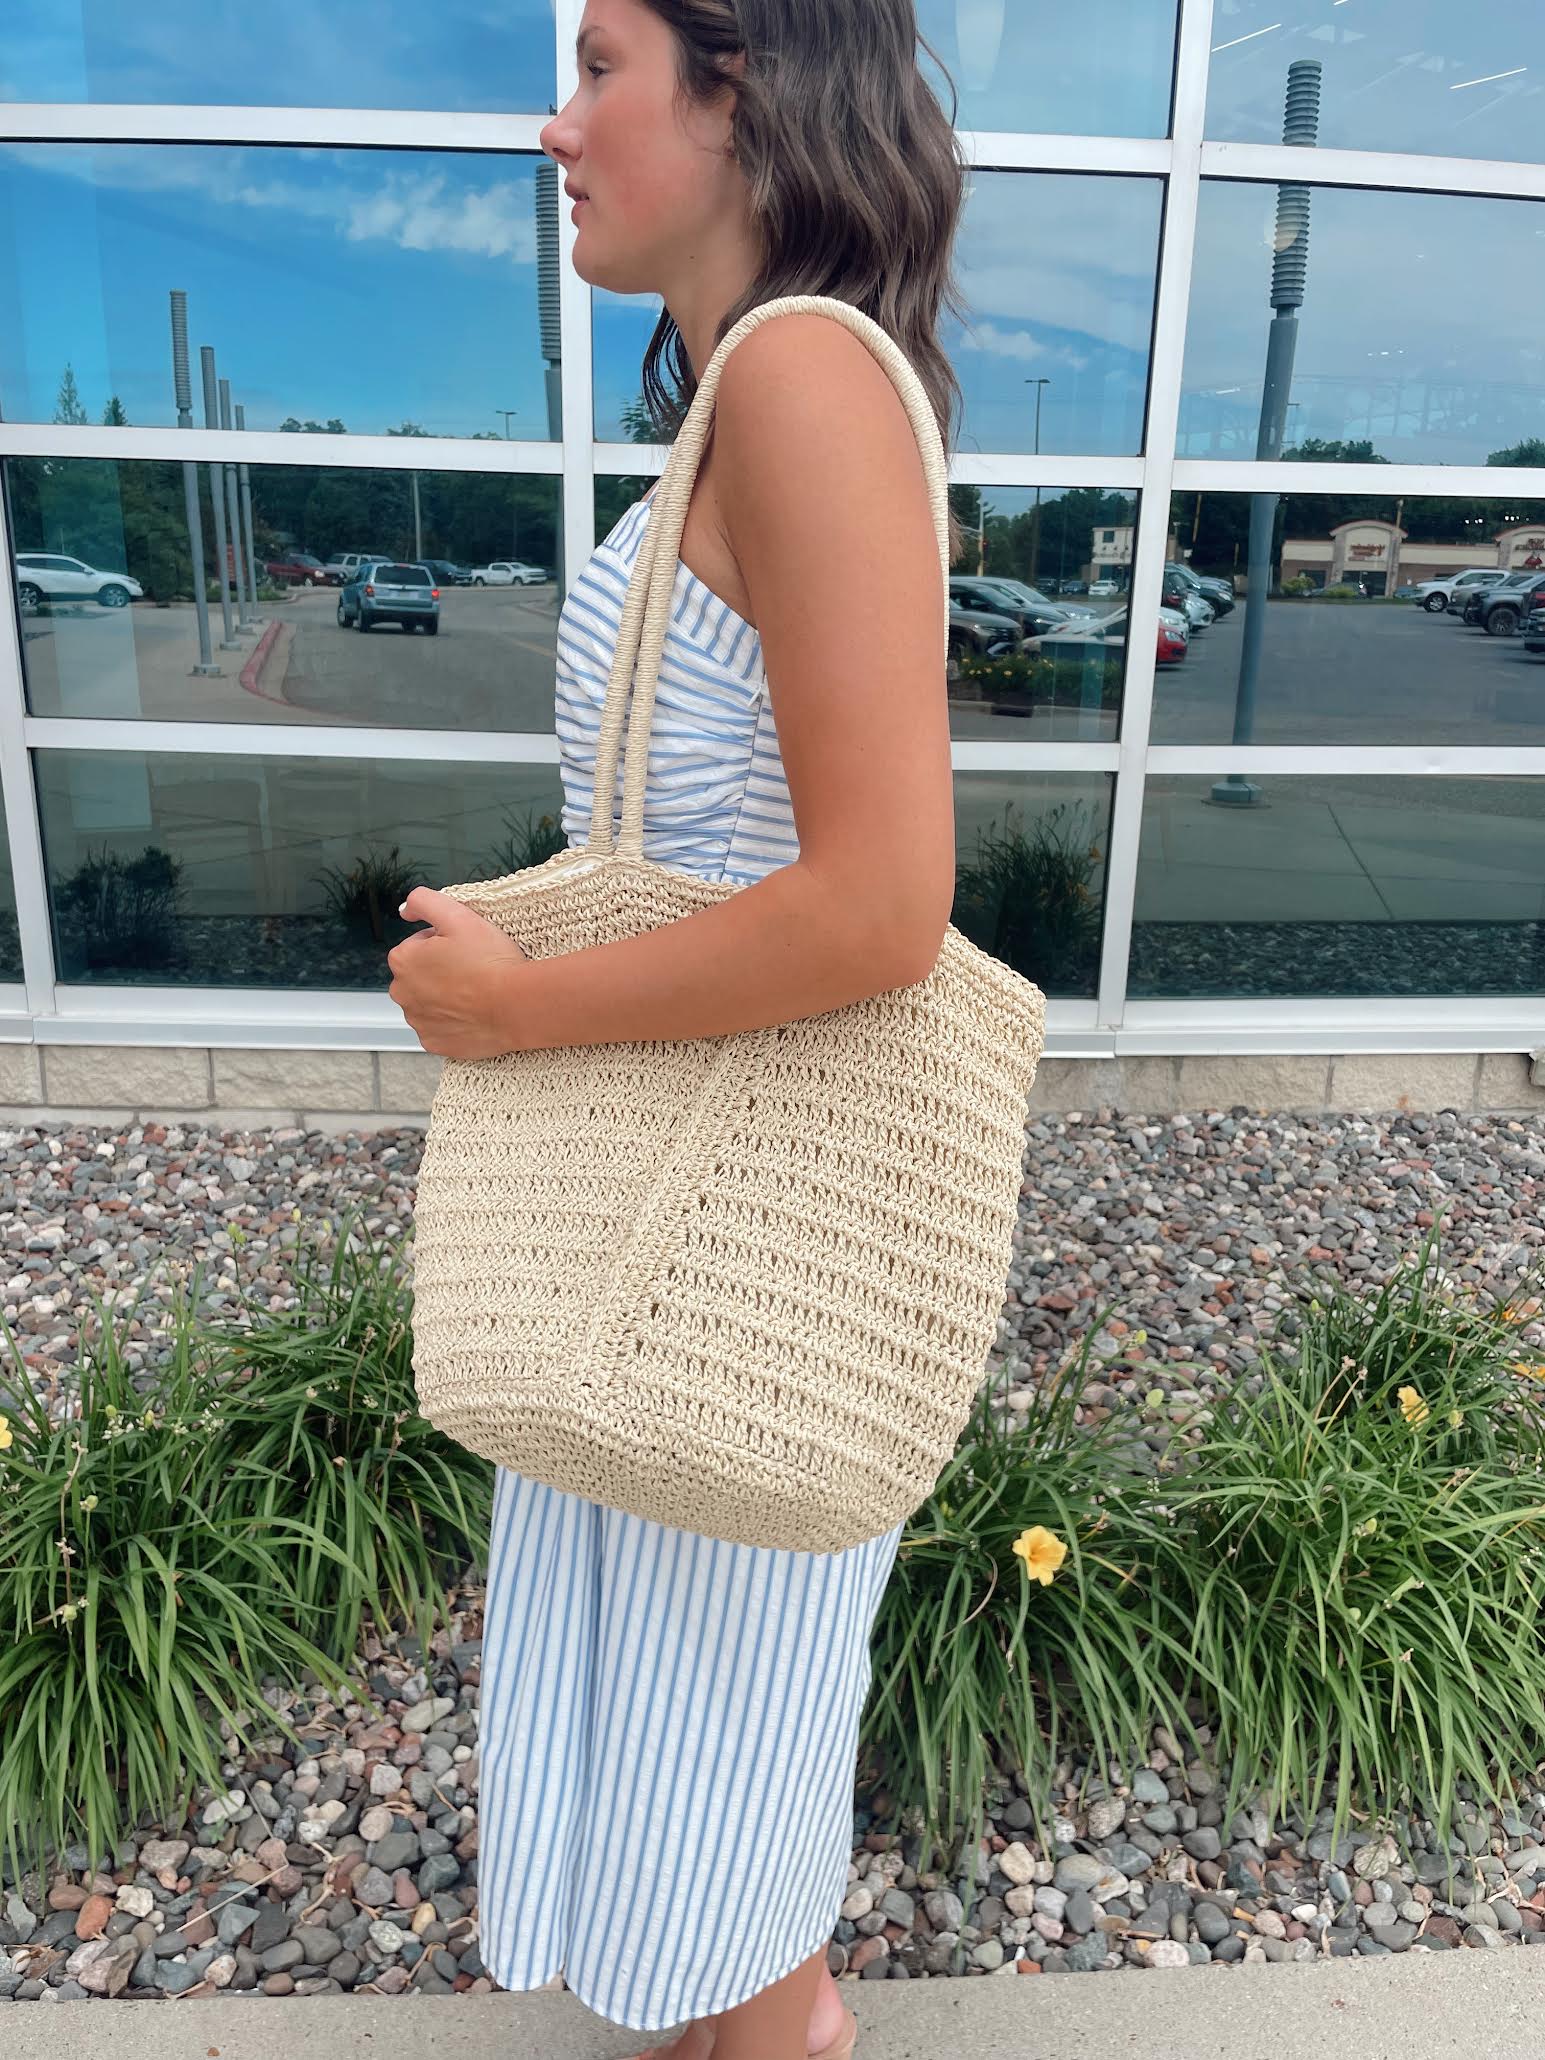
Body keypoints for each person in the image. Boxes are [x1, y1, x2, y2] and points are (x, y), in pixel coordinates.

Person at [465, 4, 967, 2057]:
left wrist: (517, 1011)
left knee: (733, 1803)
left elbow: (877, 901)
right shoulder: (752, 392)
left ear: (738, 85)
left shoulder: (796, 381)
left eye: (600, 65)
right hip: (680, 1207)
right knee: (708, 1771)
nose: (556, 122)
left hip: (740, 1225)